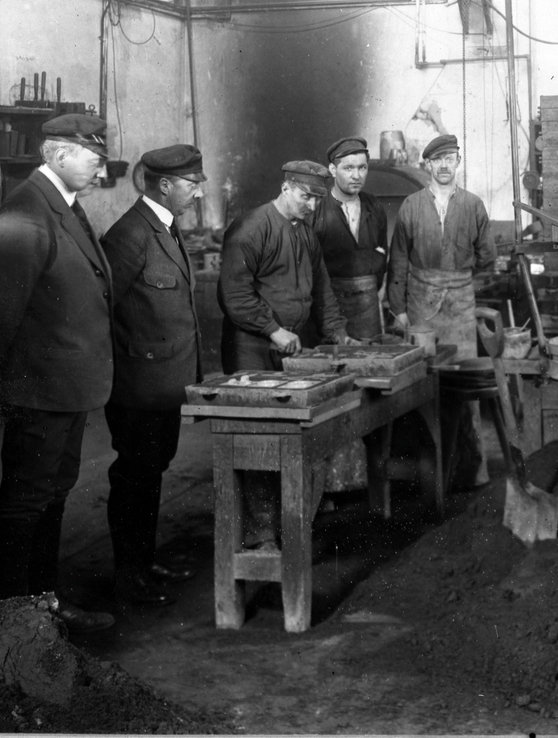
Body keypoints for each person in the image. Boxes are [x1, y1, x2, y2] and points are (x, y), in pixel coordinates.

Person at [0, 113, 116, 633]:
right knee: (25, 503)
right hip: (38, 388)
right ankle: (13, 624)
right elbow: (4, 315)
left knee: (52, 494)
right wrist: (5, 389)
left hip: (65, 387)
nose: (101, 170)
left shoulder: (61, 204)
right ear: (58, 154)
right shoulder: (27, 211)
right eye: (94, 159)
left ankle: (44, 606)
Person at [218, 160, 352, 549]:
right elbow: (234, 295)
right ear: (286, 187)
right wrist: (273, 330)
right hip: (252, 348)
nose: (312, 206)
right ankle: (261, 536)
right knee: (259, 439)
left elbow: (322, 290)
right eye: (306, 197)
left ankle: (290, 525)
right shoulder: (251, 228)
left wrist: (338, 333)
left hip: (290, 345)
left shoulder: (305, 233)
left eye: (318, 199)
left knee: (293, 436)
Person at [100, 145, 206, 607]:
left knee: (150, 474)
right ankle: (129, 577)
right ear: (165, 185)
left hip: (163, 385)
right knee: (134, 478)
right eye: (192, 184)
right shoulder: (129, 235)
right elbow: (101, 309)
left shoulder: (165, 226)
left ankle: (142, 563)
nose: (198, 192)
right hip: (137, 388)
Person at [387, 134, 496, 487]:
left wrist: (460, 283)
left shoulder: (473, 205)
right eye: (438, 160)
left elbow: (488, 257)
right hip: (421, 305)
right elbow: (398, 261)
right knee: (423, 385)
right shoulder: (411, 206)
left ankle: (469, 472)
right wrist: (400, 309)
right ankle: (427, 475)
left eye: (451, 158)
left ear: (458, 162)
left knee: (462, 385)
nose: (445, 165)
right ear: (428, 165)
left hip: (461, 305)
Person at [312, 136, 389, 339]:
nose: (356, 175)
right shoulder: (316, 208)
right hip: (328, 307)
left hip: (368, 306)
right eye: (348, 168)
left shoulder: (374, 206)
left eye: (362, 168)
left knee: (371, 353)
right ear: (332, 170)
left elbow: (382, 254)